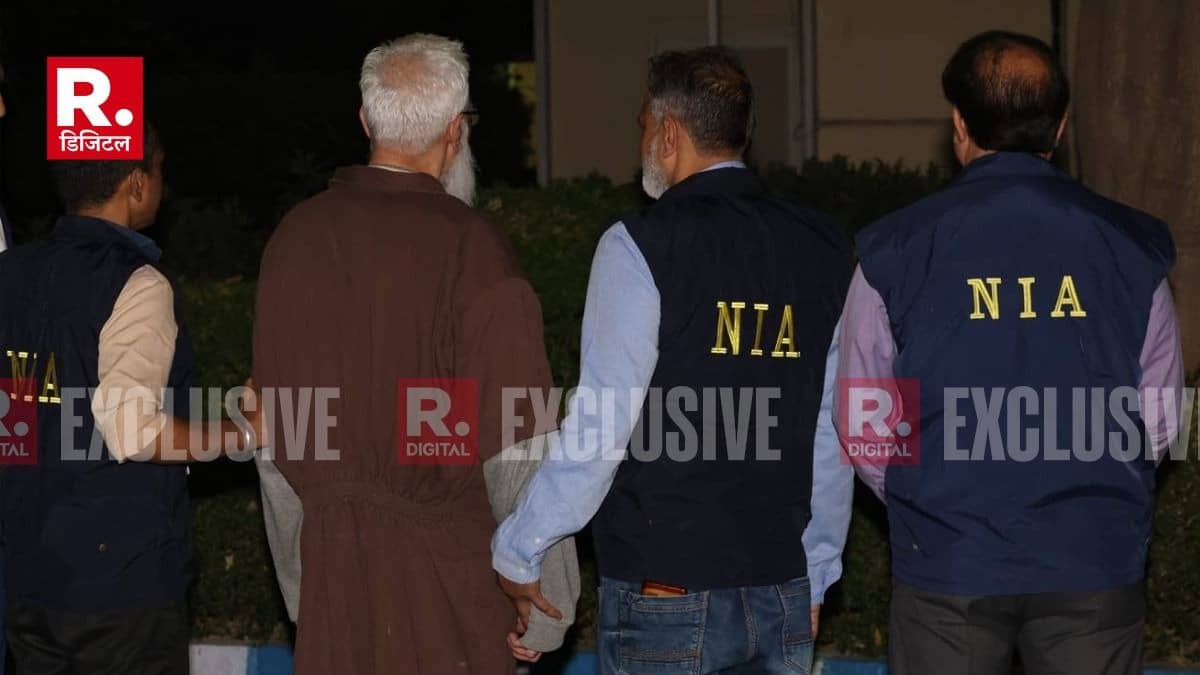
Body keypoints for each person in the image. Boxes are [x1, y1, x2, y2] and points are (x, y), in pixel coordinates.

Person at [492, 47, 854, 673]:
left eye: (642, 127)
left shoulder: (640, 244)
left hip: (666, 591)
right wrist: (817, 572)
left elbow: (603, 425)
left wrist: (520, 548)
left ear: (667, 135)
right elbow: (833, 428)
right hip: (781, 588)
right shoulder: (825, 246)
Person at [835, 30, 1182, 675]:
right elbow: (1159, 418)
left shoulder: (895, 251)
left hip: (949, 566)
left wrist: (926, 500)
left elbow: (864, 422)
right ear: (1061, 126)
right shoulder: (1131, 249)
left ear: (959, 125)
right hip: (1092, 560)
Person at [251, 33, 577, 675]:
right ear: (456, 131)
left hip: (336, 592)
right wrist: (549, 602)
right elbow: (519, 441)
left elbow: (274, 439)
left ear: (366, 120)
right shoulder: (473, 249)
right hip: (451, 598)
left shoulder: (293, 241)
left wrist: (305, 588)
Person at [0, 122, 266, 674]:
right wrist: (244, 432)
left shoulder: (12, 274)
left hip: (28, 581)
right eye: (159, 168)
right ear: (137, 182)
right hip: (120, 594)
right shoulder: (138, 284)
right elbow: (134, 430)